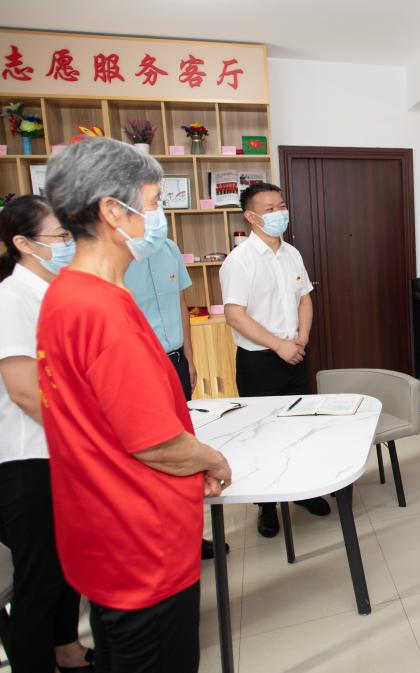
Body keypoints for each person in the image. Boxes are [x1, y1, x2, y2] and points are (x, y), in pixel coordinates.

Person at [38, 137, 232, 672]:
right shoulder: (103, 313)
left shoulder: (65, 293)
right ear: (111, 211)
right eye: (152, 203)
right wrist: (213, 460)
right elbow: (157, 444)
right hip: (140, 542)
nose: (157, 217)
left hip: (101, 529)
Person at [0, 196, 94, 672]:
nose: (68, 244)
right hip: (28, 459)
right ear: (23, 243)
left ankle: (67, 649)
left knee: (67, 564)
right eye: (59, 236)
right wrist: (86, 435)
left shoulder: (56, 292)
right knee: (38, 579)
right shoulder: (11, 299)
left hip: (63, 452)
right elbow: (23, 391)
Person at [220, 182, 329, 538]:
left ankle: (302, 492)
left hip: (295, 353)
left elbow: (304, 298)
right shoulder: (240, 261)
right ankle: (266, 507)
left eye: (281, 205)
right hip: (259, 362)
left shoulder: (291, 253)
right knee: (262, 435)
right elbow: (235, 315)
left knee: (299, 427)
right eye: (269, 209)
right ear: (251, 217)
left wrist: (302, 338)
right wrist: (278, 345)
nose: (279, 213)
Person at [124, 234, 227, 561]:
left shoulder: (169, 248)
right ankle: (157, 540)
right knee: (154, 453)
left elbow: (181, 305)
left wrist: (190, 358)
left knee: (182, 446)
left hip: (176, 360)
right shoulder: (118, 257)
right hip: (140, 364)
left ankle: (190, 535)